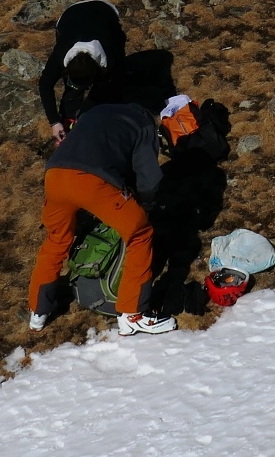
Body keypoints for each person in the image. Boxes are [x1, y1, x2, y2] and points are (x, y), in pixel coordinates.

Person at [28, 88, 175, 336]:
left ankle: (38, 311)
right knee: (140, 234)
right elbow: (149, 180)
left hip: (54, 174)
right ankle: (132, 314)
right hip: (93, 180)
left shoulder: (93, 113)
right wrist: (145, 204)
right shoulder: (143, 124)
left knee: (56, 239)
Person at [37, 0, 128, 141]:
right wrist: (54, 121)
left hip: (105, 12)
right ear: (66, 69)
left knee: (110, 89)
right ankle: (70, 120)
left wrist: (89, 111)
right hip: (71, 16)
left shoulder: (110, 55)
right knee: (72, 93)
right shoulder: (61, 54)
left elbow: (115, 83)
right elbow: (45, 84)